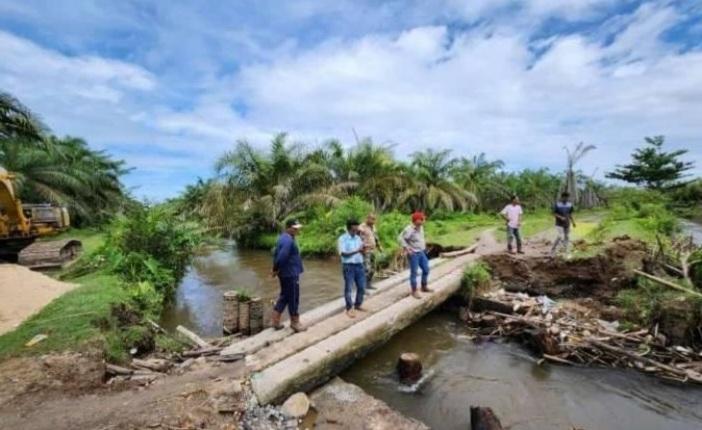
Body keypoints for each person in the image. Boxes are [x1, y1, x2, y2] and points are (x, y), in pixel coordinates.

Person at [270, 219, 306, 332]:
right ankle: (295, 322)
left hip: (286, 273)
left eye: (298, 228)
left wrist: (276, 269)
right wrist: (275, 269)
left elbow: (276, 254)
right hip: (290, 273)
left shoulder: (283, 238)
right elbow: (281, 256)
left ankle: (275, 321)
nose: (297, 230)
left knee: (285, 295)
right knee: (293, 297)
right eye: (295, 228)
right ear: (288, 228)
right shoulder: (288, 240)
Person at [398, 211, 431, 299]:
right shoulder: (409, 229)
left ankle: (424, 286)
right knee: (414, 272)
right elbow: (400, 238)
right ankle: (414, 290)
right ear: (417, 220)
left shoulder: (421, 227)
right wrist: (407, 248)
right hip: (414, 254)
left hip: (421, 252)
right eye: (422, 219)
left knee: (426, 269)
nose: (424, 221)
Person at [338, 219, 366, 318]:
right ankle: (349, 308)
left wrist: (363, 251)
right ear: (351, 227)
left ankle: (358, 305)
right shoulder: (342, 239)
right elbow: (343, 254)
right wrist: (357, 250)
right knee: (349, 288)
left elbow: (360, 251)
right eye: (356, 225)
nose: (358, 227)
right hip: (348, 266)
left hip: (359, 265)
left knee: (362, 287)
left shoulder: (358, 238)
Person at [358, 213, 383, 290]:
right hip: (366, 250)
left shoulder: (373, 227)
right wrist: (360, 248)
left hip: (373, 250)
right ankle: (362, 287)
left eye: (374, 219)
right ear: (367, 219)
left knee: (373, 268)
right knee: (366, 269)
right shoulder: (361, 227)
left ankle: (368, 284)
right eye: (372, 219)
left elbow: (376, 237)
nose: (373, 221)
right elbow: (357, 238)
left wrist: (379, 247)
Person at [550, 192, 577, 257]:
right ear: (562, 197)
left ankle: (566, 251)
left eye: (567, 197)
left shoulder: (570, 205)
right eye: (565, 197)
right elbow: (554, 213)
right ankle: (553, 250)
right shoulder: (557, 204)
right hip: (559, 224)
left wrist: (573, 222)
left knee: (567, 237)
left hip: (567, 223)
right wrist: (560, 217)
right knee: (560, 236)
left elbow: (570, 214)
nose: (566, 199)